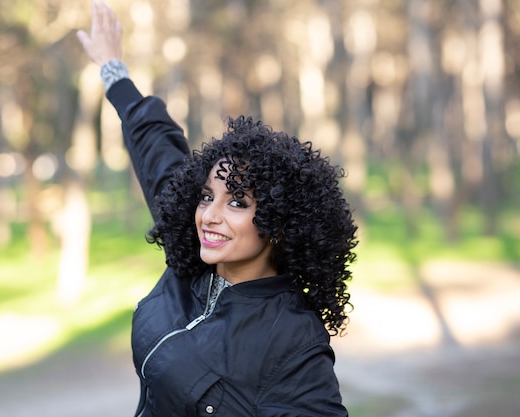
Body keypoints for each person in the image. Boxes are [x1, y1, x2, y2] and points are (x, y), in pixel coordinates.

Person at [77, 2, 358, 416]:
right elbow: (157, 150)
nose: (209, 215)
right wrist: (112, 70)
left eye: (238, 203)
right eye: (208, 196)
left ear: (278, 223)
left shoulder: (292, 337)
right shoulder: (193, 251)